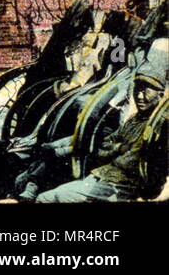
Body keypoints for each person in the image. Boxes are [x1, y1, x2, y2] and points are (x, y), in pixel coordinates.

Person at [35, 72, 165, 203]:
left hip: (121, 185)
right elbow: (103, 147)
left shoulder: (155, 128)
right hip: (105, 175)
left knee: (46, 198)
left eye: (146, 92)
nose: (139, 97)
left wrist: (113, 152)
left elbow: (128, 163)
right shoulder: (134, 119)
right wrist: (119, 148)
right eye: (136, 91)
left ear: (160, 96)